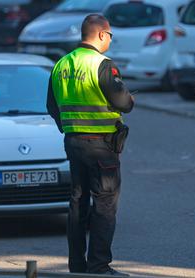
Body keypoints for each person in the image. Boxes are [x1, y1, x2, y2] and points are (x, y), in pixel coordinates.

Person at [46, 14, 134, 276]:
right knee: (105, 205)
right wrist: (129, 99)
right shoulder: (102, 64)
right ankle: (99, 266)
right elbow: (124, 103)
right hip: (101, 147)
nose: (110, 41)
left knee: (77, 203)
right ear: (101, 34)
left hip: (73, 143)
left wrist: (70, 128)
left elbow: (52, 106)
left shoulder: (61, 64)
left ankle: (77, 265)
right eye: (110, 36)